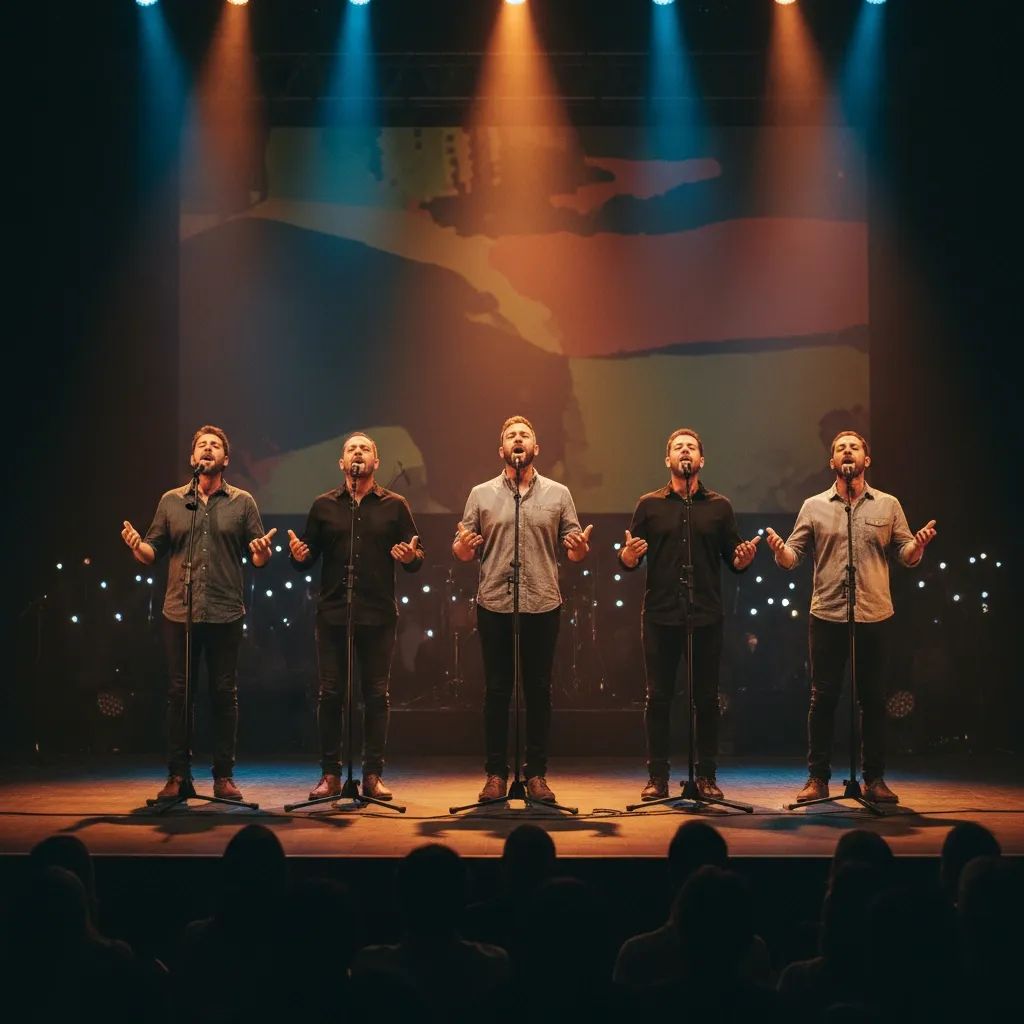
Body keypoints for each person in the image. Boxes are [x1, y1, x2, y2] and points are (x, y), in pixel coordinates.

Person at [766, 430, 937, 804]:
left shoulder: (888, 505)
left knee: (873, 700)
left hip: (874, 614)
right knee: (823, 698)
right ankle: (817, 779)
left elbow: (905, 554)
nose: (848, 451)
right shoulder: (813, 505)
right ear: (832, 462)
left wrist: (917, 546)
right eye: (840, 448)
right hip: (827, 613)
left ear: (866, 460)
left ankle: (874, 779)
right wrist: (781, 553)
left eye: (854, 447)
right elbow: (793, 554)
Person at [121, 425, 275, 802]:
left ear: (225, 459)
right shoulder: (171, 501)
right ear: (193, 459)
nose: (207, 449)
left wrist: (262, 552)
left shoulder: (243, 502)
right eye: (201, 446)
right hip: (180, 611)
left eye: (215, 446)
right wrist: (137, 547)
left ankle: (223, 777)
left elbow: (258, 555)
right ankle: (177, 775)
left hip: (224, 611)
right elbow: (152, 551)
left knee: (224, 693)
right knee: (179, 694)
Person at [453, 416, 592, 804]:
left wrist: (579, 548)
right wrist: (464, 546)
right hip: (495, 601)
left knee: (539, 690)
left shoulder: (559, 493)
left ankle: (536, 775)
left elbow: (574, 548)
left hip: (543, 601)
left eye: (524, 435)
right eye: (511, 436)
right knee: (497, 690)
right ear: (502, 450)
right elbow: (462, 548)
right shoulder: (481, 494)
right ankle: (496, 774)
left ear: (536, 448)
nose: (518, 440)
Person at [619, 428, 760, 801]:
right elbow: (630, 555)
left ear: (701, 460)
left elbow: (734, 556)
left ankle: (708, 776)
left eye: (691, 447)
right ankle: (658, 778)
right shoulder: (649, 504)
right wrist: (628, 557)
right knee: (658, 697)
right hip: (660, 614)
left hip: (706, 615)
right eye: (678, 447)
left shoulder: (720, 506)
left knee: (706, 698)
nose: (685, 451)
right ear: (668, 460)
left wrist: (742, 560)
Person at [288, 431, 423, 801]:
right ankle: (330, 775)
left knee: (376, 695)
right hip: (333, 613)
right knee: (331, 694)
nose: (358, 453)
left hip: (378, 614)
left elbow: (416, 555)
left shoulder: (395, 505)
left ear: (376, 463)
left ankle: (373, 775)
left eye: (365, 449)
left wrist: (411, 558)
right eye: (351, 449)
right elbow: (306, 555)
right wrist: (298, 556)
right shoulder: (324, 505)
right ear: (342, 464)